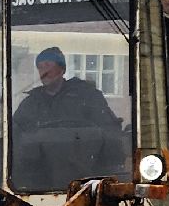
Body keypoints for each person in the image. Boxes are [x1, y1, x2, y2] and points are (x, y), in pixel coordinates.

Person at [7, 46, 123, 187]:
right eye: (40, 67)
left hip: (87, 179)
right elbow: (16, 137)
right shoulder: (30, 103)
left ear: (62, 69)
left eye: (48, 65)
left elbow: (109, 132)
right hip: (39, 181)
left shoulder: (87, 96)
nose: (44, 72)